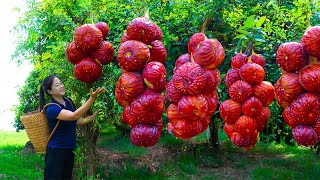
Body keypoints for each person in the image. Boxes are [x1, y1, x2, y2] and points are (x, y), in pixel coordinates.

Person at [39, 75, 105, 180]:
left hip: (69, 149)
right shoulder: (51, 108)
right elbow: (73, 116)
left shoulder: (69, 102)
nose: (61, 86)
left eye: (61, 83)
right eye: (57, 85)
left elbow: (77, 121)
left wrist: (94, 117)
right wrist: (92, 99)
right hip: (56, 152)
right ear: (50, 91)